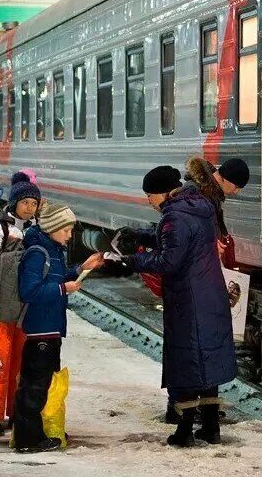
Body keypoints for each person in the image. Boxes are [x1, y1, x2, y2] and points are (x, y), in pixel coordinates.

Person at [87, 166, 237, 447]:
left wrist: (130, 260)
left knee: (187, 363)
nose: (148, 201)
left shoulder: (175, 215)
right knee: (206, 360)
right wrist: (139, 235)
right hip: (209, 295)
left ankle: (183, 431)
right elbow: (175, 239)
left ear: (163, 193)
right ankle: (211, 427)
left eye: (149, 195)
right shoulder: (197, 207)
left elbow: (169, 261)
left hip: (188, 300)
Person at [13, 202, 93, 453]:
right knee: (34, 386)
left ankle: (34, 434)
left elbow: (56, 278)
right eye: (66, 230)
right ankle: (27, 440)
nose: (70, 236)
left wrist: (81, 269)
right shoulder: (38, 253)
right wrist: (62, 289)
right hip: (40, 329)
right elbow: (29, 290)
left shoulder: (52, 250)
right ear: (53, 228)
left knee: (40, 383)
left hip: (50, 327)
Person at [0, 172, 40, 435]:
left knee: (21, 365)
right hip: (0, 309)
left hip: (25, 309)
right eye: (25, 202)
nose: (30, 207)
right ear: (14, 203)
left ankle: (15, 412)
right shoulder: (0, 231)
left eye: (34, 203)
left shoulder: (35, 231)